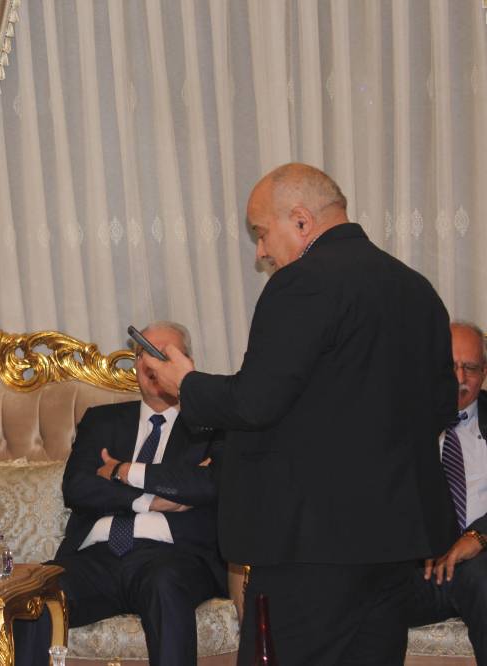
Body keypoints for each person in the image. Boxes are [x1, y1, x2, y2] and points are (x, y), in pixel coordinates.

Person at [149, 163, 457, 665]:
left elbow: (255, 401)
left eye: (261, 233)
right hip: (396, 540)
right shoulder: (417, 289)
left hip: (310, 545)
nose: (261, 252)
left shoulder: (303, 283)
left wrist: (186, 384)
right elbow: (441, 407)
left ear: (300, 220)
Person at [15, 322, 225, 666]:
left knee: (165, 584)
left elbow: (204, 485)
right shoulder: (102, 421)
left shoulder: (210, 426)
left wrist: (121, 471)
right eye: (143, 354)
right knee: (36, 594)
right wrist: (149, 500)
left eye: (162, 355)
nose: (150, 363)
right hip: (95, 558)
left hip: (174, 556)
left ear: (185, 363)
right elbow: (78, 487)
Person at [407, 321, 487, 661]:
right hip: (414, 571)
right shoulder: (400, 421)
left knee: (481, 575)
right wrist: (417, 535)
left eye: (470, 368)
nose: (459, 378)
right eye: (450, 366)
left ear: (484, 373)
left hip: (481, 566)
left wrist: (478, 536)